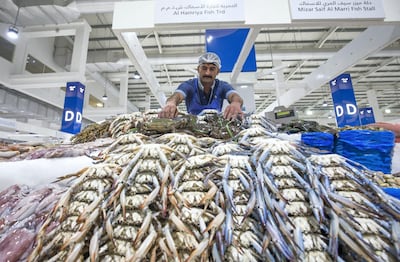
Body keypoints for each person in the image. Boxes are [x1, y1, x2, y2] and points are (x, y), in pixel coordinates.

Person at [158, 52, 244, 120]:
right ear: (198, 69)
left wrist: (236, 103)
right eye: (204, 68)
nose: (207, 73)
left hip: (215, 127)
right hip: (192, 126)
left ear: (218, 71)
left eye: (212, 69)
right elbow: (178, 95)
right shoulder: (189, 85)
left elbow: (234, 95)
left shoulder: (222, 86)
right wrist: (171, 103)